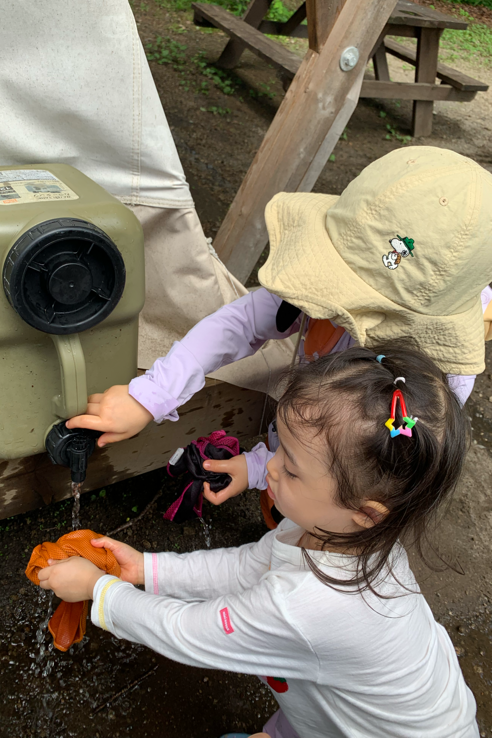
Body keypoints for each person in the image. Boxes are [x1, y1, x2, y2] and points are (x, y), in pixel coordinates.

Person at [39, 342, 478, 738]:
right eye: (280, 449)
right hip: (351, 710)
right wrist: (146, 569)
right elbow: (249, 565)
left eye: (291, 469)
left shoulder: (307, 608)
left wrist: (100, 591)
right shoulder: (338, 531)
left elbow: (186, 632)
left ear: (365, 512)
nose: (269, 467)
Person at [66, 146, 492, 509]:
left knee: (311, 531)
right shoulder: (309, 293)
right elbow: (239, 322)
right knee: (289, 512)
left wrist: (277, 476)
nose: (322, 310)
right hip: (312, 475)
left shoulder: (427, 399)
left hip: (351, 500)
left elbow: (369, 473)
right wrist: (153, 396)